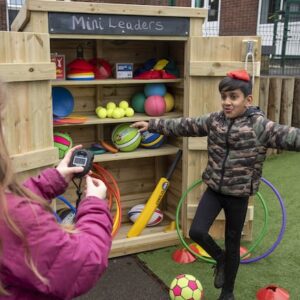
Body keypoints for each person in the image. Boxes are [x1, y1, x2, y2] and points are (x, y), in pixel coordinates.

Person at [131, 69, 300, 300]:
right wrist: (153, 125)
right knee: (197, 231)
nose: (227, 102)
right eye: (224, 97)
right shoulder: (215, 120)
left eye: (233, 97)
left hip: (238, 195)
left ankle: (227, 292)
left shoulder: (260, 126)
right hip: (214, 190)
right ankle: (220, 259)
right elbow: (185, 125)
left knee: (233, 243)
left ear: (248, 100)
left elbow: (290, 136)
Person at [0, 81, 113, 299]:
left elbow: (10, 199)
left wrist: (52, 179)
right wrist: (95, 206)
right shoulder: (16, 218)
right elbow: (83, 264)